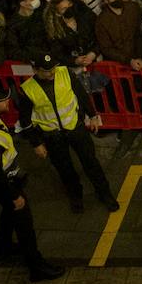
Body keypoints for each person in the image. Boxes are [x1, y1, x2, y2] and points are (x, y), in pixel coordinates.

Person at [0, 87, 64, 282]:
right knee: (24, 224)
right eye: (3, 101)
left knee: (8, 211)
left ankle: (3, 248)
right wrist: (14, 195)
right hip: (3, 183)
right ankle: (36, 267)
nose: (8, 103)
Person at [16, 52, 119, 213]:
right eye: (46, 71)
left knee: (91, 163)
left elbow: (81, 95)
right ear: (35, 70)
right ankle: (76, 197)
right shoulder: (27, 90)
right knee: (65, 169)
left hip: (75, 128)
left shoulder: (65, 73)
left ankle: (105, 194)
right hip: (52, 136)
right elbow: (25, 120)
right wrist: (36, 143)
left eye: (52, 69)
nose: (51, 74)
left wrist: (92, 115)